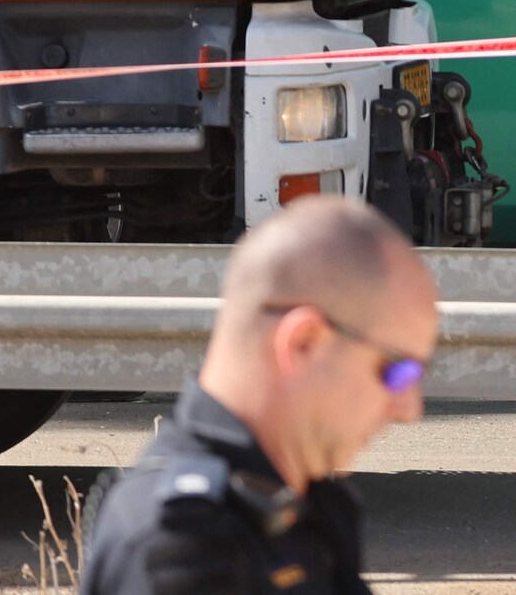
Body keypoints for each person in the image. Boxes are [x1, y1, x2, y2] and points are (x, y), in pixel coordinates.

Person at [80, 197, 438, 595]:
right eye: (397, 371)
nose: (409, 408)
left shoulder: (308, 504)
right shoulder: (183, 549)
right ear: (303, 345)